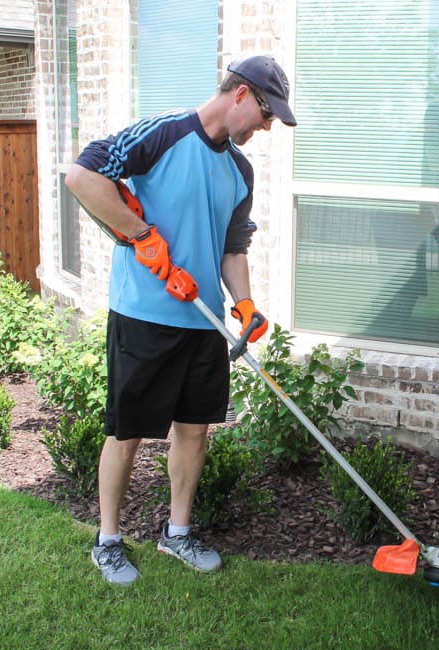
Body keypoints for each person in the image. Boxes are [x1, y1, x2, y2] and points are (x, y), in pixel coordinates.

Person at [65, 55, 296, 585]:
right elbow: (83, 175)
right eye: (265, 114)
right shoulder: (163, 133)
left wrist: (244, 305)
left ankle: (177, 532)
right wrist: (141, 235)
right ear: (241, 94)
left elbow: (233, 246)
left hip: (203, 320)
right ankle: (108, 540)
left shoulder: (240, 170)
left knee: (193, 430)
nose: (266, 127)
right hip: (145, 314)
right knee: (127, 432)